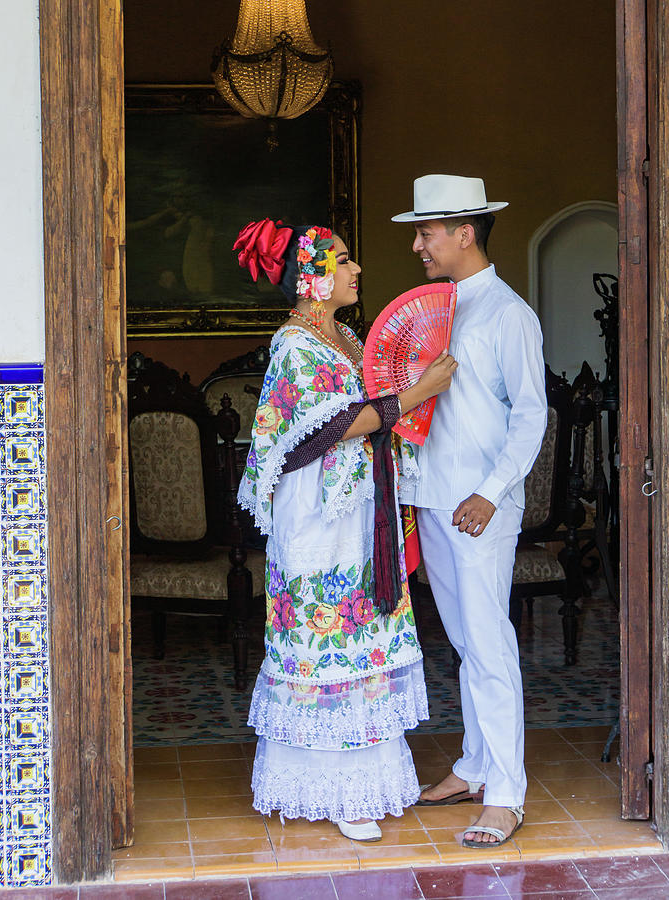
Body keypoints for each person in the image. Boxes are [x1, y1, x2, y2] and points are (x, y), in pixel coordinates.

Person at [235, 218, 457, 842]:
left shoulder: (347, 339)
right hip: (316, 516)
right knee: (325, 633)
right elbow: (315, 432)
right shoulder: (295, 346)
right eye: (343, 261)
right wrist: (415, 394)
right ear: (313, 276)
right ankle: (330, 787)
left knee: (364, 635)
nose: (356, 270)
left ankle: (363, 780)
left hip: (358, 510)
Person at [391, 175, 548, 848]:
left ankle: (506, 793)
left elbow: (532, 413)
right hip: (432, 499)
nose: (418, 244)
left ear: (464, 233)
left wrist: (492, 491)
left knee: (488, 643)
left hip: (482, 505)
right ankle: (476, 765)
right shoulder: (439, 309)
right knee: (463, 642)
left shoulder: (508, 313)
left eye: (426, 232)